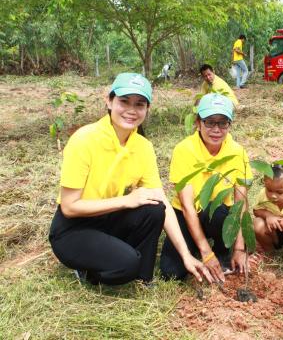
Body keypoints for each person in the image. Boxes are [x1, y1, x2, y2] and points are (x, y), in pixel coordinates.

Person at [49, 73, 211, 286]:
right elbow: (70, 207)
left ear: (147, 109)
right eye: (124, 101)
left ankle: (143, 278)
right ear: (109, 100)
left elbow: (162, 201)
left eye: (139, 104)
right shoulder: (84, 140)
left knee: (154, 208)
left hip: (107, 217)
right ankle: (88, 270)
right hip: (73, 228)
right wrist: (127, 200)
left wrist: (186, 255)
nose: (131, 110)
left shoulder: (143, 147)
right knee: (126, 263)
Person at [160, 93, 252, 283]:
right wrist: (205, 252)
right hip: (188, 213)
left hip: (217, 215)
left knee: (218, 211)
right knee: (171, 273)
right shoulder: (184, 150)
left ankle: (222, 249)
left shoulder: (237, 152)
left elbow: (241, 203)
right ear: (198, 122)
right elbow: (187, 207)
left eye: (223, 123)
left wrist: (240, 248)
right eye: (209, 122)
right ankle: (197, 245)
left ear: (229, 124)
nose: (216, 129)